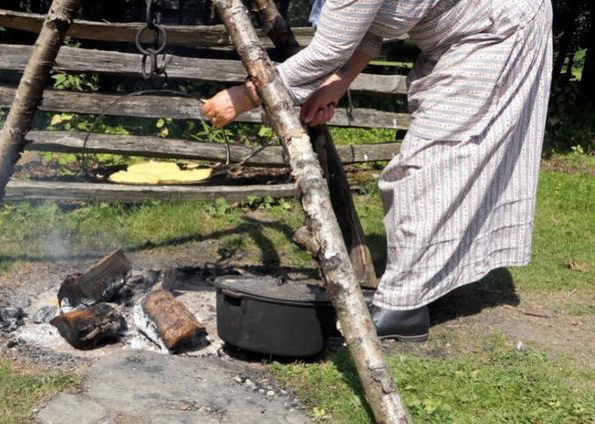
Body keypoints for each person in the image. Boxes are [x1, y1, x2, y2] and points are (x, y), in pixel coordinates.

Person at [203, 0, 553, 341]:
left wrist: (246, 96)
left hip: (499, 29)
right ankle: (422, 283)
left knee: (429, 166)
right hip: (460, 36)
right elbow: (369, 28)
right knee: (439, 165)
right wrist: (338, 84)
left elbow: (326, 53)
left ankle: (403, 307)